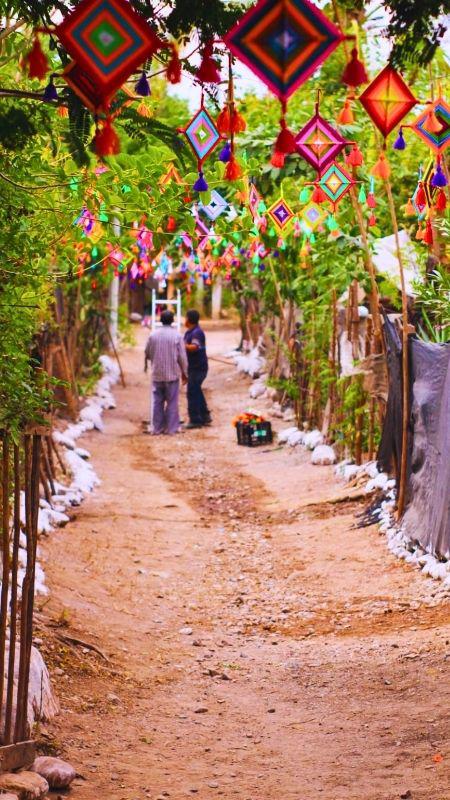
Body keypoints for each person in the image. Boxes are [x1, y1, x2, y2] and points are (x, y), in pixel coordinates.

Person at [144, 310, 188, 435]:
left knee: (157, 402)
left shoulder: (153, 335)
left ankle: (157, 428)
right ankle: (171, 429)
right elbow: (182, 358)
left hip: (157, 374)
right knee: (172, 402)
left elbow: (147, 352)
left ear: (160, 320)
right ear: (173, 321)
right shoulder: (177, 336)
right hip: (172, 374)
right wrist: (185, 373)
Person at [183, 309, 211, 429]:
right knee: (196, 390)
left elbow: (194, 347)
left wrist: (182, 346)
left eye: (186, 318)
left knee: (192, 392)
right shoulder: (189, 332)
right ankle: (205, 416)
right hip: (193, 366)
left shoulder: (197, 333)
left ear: (189, 320)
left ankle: (195, 419)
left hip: (198, 367)